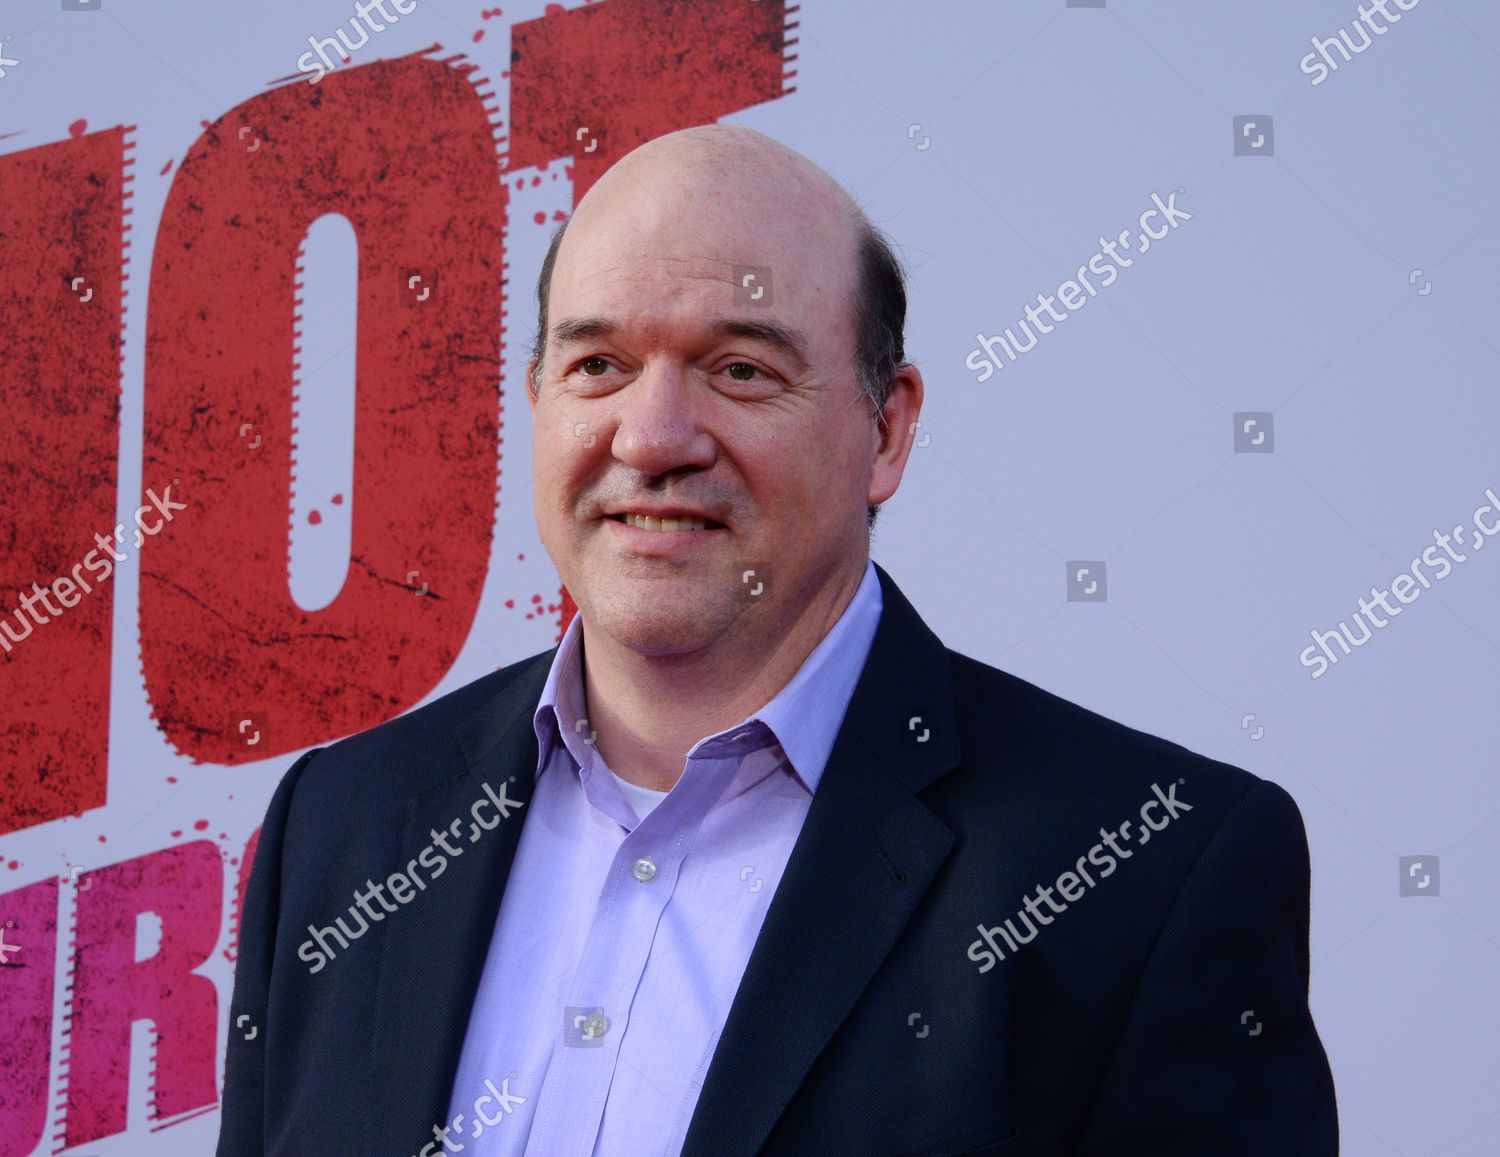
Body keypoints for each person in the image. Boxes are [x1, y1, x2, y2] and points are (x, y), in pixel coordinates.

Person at [218, 124, 1337, 1156]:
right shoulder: (343, 827)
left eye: (740, 368)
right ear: (536, 401)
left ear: (888, 428)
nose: (651, 437)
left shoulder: (1148, 872)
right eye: (598, 364)